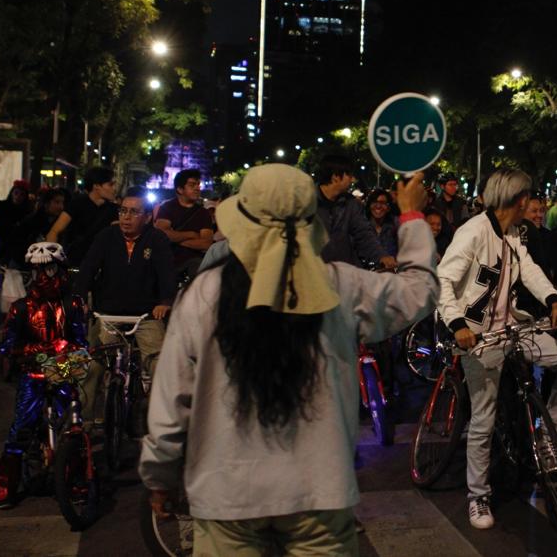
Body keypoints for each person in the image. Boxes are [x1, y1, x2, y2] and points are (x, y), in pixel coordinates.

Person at [140, 164, 438, 555]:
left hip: (226, 493)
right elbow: (419, 291)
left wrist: (160, 474)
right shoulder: (342, 285)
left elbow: (172, 398)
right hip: (319, 494)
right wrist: (411, 216)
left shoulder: (204, 292)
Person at [437, 169, 557, 530]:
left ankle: (545, 441)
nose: (533, 203)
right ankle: (478, 496)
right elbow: (443, 280)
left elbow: (528, 270)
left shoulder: (512, 233)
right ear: (519, 200)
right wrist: (457, 325)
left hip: (513, 329)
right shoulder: (473, 231)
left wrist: (553, 299)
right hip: (479, 339)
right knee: (483, 418)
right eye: (529, 197)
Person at [0, 242, 86, 509]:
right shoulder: (21, 307)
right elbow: (8, 346)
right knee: (21, 428)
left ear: (61, 270)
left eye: (50, 270)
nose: (44, 277)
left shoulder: (72, 304)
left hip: (63, 368)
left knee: (72, 423)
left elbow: (80, 340)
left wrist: (72, 350)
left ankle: (75, 479)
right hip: (33, 371)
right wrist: (38, 350)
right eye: (37, 271)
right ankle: (4, 485)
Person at [74, 187, 175, 418]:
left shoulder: (157, 239)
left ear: (147, 217)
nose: (126, 217)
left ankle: (160, 420)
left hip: (146, 314)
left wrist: (165, 301)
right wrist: (80, 299)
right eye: (123, 211)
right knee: (93, 365)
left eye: (134, 212)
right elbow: (87, 269)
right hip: (107, 313)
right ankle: (82, 424)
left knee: (160, 364)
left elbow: (167, 274)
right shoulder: (106, 237)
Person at [314, 155, 395, 271]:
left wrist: (381, 256)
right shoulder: (308, 202)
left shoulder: (351, 204)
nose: (352, 180)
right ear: (336, 177)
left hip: (346, 273)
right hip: (315, 272)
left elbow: (363, 234)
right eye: (349, 175)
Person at [47, 166, 119, 267]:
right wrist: (53, 261)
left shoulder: (114, 209)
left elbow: (118, 237)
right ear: (96, 186)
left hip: (101, 265)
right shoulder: (77, 204)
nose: (114, 189)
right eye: (110, 184)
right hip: (75, 263)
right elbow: (54, 232)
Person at [154, 169, 215, 279]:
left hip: (193, 266)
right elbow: (161, 234)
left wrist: (175, 239)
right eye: (192, 185)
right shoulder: (167, 208)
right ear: (180, 189)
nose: (197, 188)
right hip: (168, 263)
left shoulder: (203, 213)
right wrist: (191, 234)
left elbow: (206, 243)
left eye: (198, 184)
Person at [0, 180, 34, 268]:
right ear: (12, 193)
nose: (18, 196)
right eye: (16, 193)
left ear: (25, 197)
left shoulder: (27, 210)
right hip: (0, 241)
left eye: (22, 194)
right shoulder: (2, 205)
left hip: (16, 245)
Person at [365, 188, 398, 261]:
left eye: (382, 203)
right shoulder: (362, 225)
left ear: (388, 207)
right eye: (374, 202)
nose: (378, 206)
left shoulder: (395, 224)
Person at [432, 173, 469, 237]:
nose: (453, 187)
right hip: (441, 237)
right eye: (450, 185)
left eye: (455, 184)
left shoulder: (461, 202)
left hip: (458, 236)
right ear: (442, 186)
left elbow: (466, 220)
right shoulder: (436, 203)